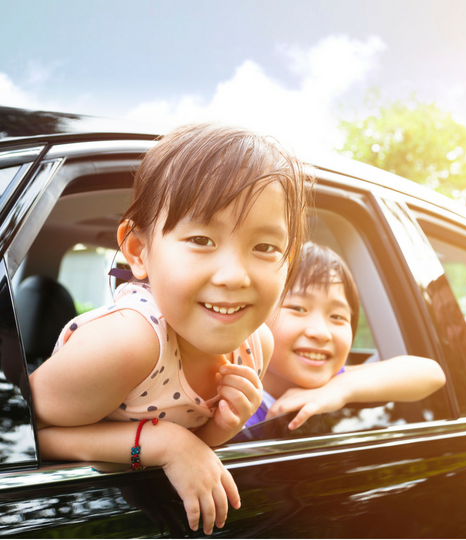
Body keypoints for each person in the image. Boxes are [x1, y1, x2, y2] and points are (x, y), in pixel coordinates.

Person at [28, 123, 308, 534]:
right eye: (201, 239)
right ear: (139, 251)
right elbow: (27, 432)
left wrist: (222, 425)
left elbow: (198, 442)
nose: (234, 276)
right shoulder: (129, 342)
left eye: (265, 247)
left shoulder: (255, 344)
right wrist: (164, 444)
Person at [246, 242, 446, 430]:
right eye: (298, 308)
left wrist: (341, 389)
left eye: (337, 316)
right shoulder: (229, 405)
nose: (321, 332)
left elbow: (432, 373)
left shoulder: (333, 381)